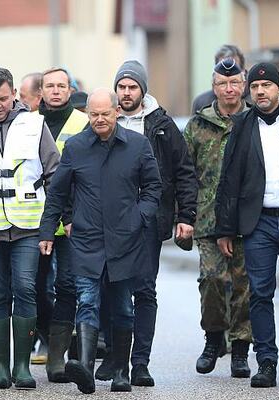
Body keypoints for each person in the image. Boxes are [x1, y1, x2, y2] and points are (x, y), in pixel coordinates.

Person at [38, 88, 162, 394]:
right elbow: (58, 192)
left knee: (122, 307)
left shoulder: (137, 145)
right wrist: (48, 230)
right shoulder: (77, 147)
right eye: (93, 114)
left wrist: (139, 217)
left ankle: (121, 371)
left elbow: (153, 187)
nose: (99, 120)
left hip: (125, 239)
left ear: (116, 111)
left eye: (105, 114)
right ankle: (87, 371)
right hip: (87, 239)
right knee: (88, 301)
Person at [214, 62, 279, 388]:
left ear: (278, 89)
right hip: (256, 222)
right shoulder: (242, 126)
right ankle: (267, 362)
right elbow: (229, 179)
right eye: (256, 88)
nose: (260, 92)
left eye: (267, 86)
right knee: (260, 293)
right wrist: (225, 228)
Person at [0, 67, 60, 390]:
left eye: (3, 98)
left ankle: (22, 367)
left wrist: (49, 226)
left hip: (28, 226)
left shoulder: (35, 124)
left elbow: (54, 175)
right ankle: (1, 368)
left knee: (25, 288)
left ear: (14, 93)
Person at [99, 59, 196, 387]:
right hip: (109, 223)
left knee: (144, 290)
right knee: (111, 289)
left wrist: (186, 216)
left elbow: (183, 171)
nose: (126, 93)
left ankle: (140, 362)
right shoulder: (105, 121)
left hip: (149, 222)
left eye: (132, 87)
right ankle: (115, 356)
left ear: (143, 89)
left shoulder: (163, 125)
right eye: (122, 87)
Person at [183, 58, 252, 379]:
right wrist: (182, 216)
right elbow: (184, 175)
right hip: (207, 221)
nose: (229, 89)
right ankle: (213, 340)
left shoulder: (254, 121)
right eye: (223, 84)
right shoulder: (198, 125)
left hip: (248, 220)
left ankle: (240, 349)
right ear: (214, 88)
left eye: (235, 82)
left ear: (244, 85)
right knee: (211, 280)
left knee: (244, 285)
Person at [35, 67, 89, 383]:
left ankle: (60, 358)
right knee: (33, 290)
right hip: (34, 222)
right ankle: (50, 338)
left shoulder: (83, 123)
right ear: (41, 91)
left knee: (68, 287)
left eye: (61, 86)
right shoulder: (27, 123)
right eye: (49, 86)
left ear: (70, 90)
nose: (55, 91)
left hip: (73, 223)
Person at [192, 44, 246, 113]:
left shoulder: (255, 100)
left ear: (243, 71)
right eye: (221, 67)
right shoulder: (202, 102)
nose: (227, 72)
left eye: (234, 67)